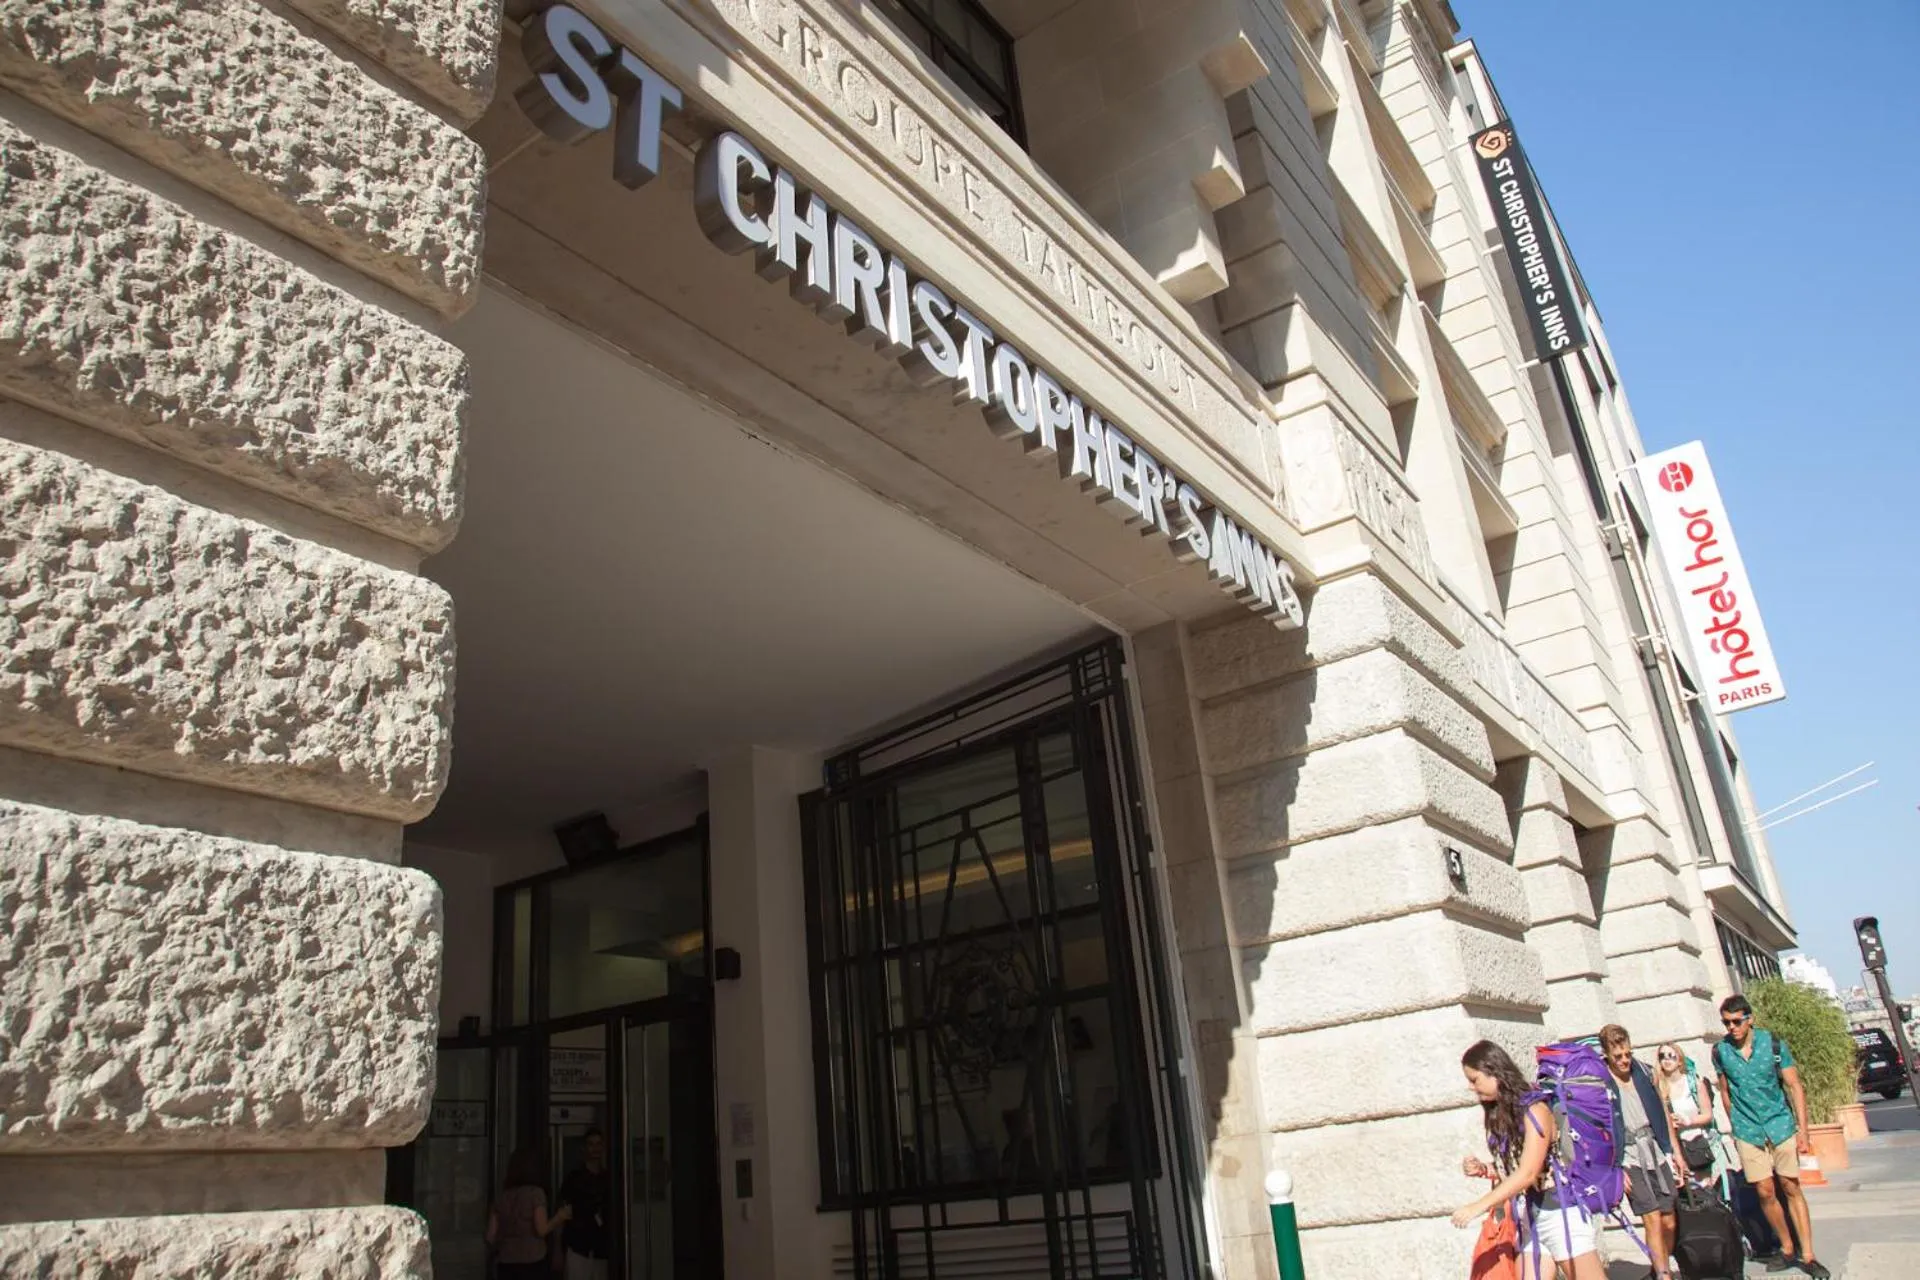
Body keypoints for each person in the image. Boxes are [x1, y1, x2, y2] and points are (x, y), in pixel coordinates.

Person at [1453, 1040, 1604, 1280]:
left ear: (1495, 1072)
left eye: (1475, 1079)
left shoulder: (1536, 1110)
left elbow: (1528, 1173)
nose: (1472, 1087)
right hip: (1529, 1217)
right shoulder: (1503, 1113)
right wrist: (1485, 1169)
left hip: (1560, 1212)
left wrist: (1477, 1207)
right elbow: (1516, 1168)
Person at [1713, 994, 1827, 1278]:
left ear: (1749, 1019)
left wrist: (1804, 1131)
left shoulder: (1773, 1044)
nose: (1732, 1028)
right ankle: (1787, 1247)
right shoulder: (1721, 1051)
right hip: (1748, 1129)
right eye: (1726, 1022)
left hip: (1779, 1124)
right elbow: (1725, 1092)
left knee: (1790, 1185)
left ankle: (1808, 1254)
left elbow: (1795, 1086)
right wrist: (1735, 1124)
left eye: (1737, 1021)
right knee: (1764, 1190)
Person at [1600, 1025, 1680, 1280]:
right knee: (1652, 1218)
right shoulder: (1601, 1082)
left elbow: (1663, 1113)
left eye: (1627, 1054)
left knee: (1669, 1219)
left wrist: (1674, 1151)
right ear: (1606, 1054)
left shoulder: (1645, 1073)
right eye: (1618, 1056)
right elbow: (1600, 1130)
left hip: (1655, 1149)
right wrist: (1614, 1169)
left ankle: (1659, 1266)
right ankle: (1664, 1274)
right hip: (1629, 1158)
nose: (1624, 1060)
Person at [486, 1146, 570, 1279]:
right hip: (532, 1261)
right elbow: (541, 1229)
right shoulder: (535, 1194)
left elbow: (490, 1236)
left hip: (506, 1262)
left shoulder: (502, 1197)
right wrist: (560, 1217)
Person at [1654, 1041, 1720, 1180]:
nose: (1666, 1059)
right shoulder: (1658, 1089)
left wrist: (1687, 1121)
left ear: (1680, 1060)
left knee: (1706, 1190)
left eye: (1671, 1055)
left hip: (1699, 1144)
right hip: (1676, 1148)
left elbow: (1708, 1115)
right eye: (1662, 1056)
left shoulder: (1694, 1083)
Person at [558, 1128, 613, 1280]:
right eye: (591, 1144)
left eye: (598, 1144)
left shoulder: (609, 1178)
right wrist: (558, 1249)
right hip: (578, 1247)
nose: (595, 1148)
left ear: (603, 1147)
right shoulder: (574, 1178)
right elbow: (562, 1213)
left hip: (602, 1248)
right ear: (584, 1148)